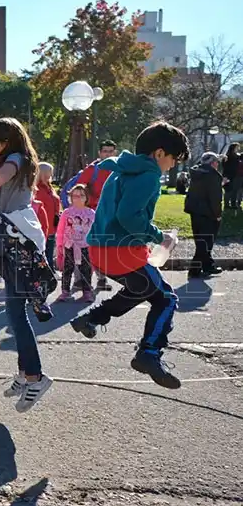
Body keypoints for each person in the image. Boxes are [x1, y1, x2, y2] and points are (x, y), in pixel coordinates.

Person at [71, 121, 191, 389]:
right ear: (159, 153)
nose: (173, 165)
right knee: (167, 299)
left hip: (100, 251)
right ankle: (149, 353)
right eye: (173, 159)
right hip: (122, 251)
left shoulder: (120, 170)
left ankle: (91, 318)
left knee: (139, 289)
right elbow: (128, 216)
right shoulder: (148, 175)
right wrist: (160, 236)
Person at [0, 117, 56, 412]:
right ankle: (25, 372)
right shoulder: (10, 159)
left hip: (21, 240)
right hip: (12, 239)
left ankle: (35, 376)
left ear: (6, 142)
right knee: (14, 312)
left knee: (17, 314)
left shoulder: (17, 158)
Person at [62, 140, 118, 291]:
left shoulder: (118, 170)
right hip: (88, 216)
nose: (108, 154)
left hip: (108, 216)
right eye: (105, 151)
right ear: (100, 153)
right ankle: (79, 280)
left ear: (115, 153)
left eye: (111, 151)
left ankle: (101, 279)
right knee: (82, 247)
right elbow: (78, 190)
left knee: (102, 248)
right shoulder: (93, 169)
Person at [184, 152, 224, 278]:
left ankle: (208, 266)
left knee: (201, 240)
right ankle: (195, 270)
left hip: (195, 211)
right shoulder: (213, 176)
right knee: (206, 241)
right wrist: (217, 214)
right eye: (217, 162)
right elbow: (215, 197)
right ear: (213, 163)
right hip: (208, 212)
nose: (218, 164)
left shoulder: (197, 173)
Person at [55, 184, 95, 303]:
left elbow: (95, 230)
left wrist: (95, 245)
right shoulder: (67, 213)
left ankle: (87, 291)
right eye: (75, 196)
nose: (78, 198)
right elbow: (61, 230)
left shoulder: (91, 213)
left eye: (81, 195)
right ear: (71, 197)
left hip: (85, 246)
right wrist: (59, 245)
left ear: (86, 197)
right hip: (69, 245)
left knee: (86, 269)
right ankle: (65, 291)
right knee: (67, 269)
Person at [34, 163, 60, 269]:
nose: (50, 175)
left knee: (49, 252)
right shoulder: (36, 189)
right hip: (42, 227)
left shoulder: (49, 187)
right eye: (49, 172)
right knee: (43, 253)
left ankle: (50, 272)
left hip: (52, 226)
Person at [222, 143, 241, 210]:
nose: (238, 148)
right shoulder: (227, 156)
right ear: (233, 148)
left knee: (234, 190)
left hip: (235, 175)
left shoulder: (238, 156)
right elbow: (224, 166)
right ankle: (226, 205)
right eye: (237, 147)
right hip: (227, 175)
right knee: (228, 190)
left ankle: (233, 204)